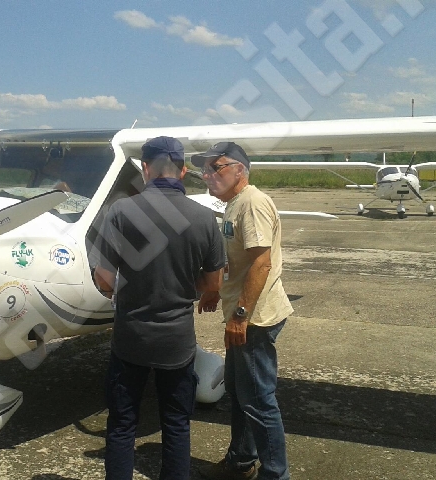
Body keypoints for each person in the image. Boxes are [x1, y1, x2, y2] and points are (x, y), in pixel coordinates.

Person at [92, 136, 225, 480]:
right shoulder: (204, 218)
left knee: (122, 424)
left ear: (145, 168)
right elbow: (214, 283)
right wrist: (184, 282)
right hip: (177, 342)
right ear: (181, 171)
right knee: (176, 423)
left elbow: (104, 280)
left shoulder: (120, 212)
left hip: (130, 338)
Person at [193, 142, 293, 480]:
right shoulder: (235, 204)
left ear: (240, 170)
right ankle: (240, 462)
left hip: (254, 319)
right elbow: (237, 261)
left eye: (216, 167)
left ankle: (275, 474)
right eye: (205, 169)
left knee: (258, 401)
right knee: (240, 393)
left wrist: (240, 316)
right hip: (244, 314)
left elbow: (261, 263)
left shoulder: (251, 203)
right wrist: (215, 290)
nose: (208, 174)